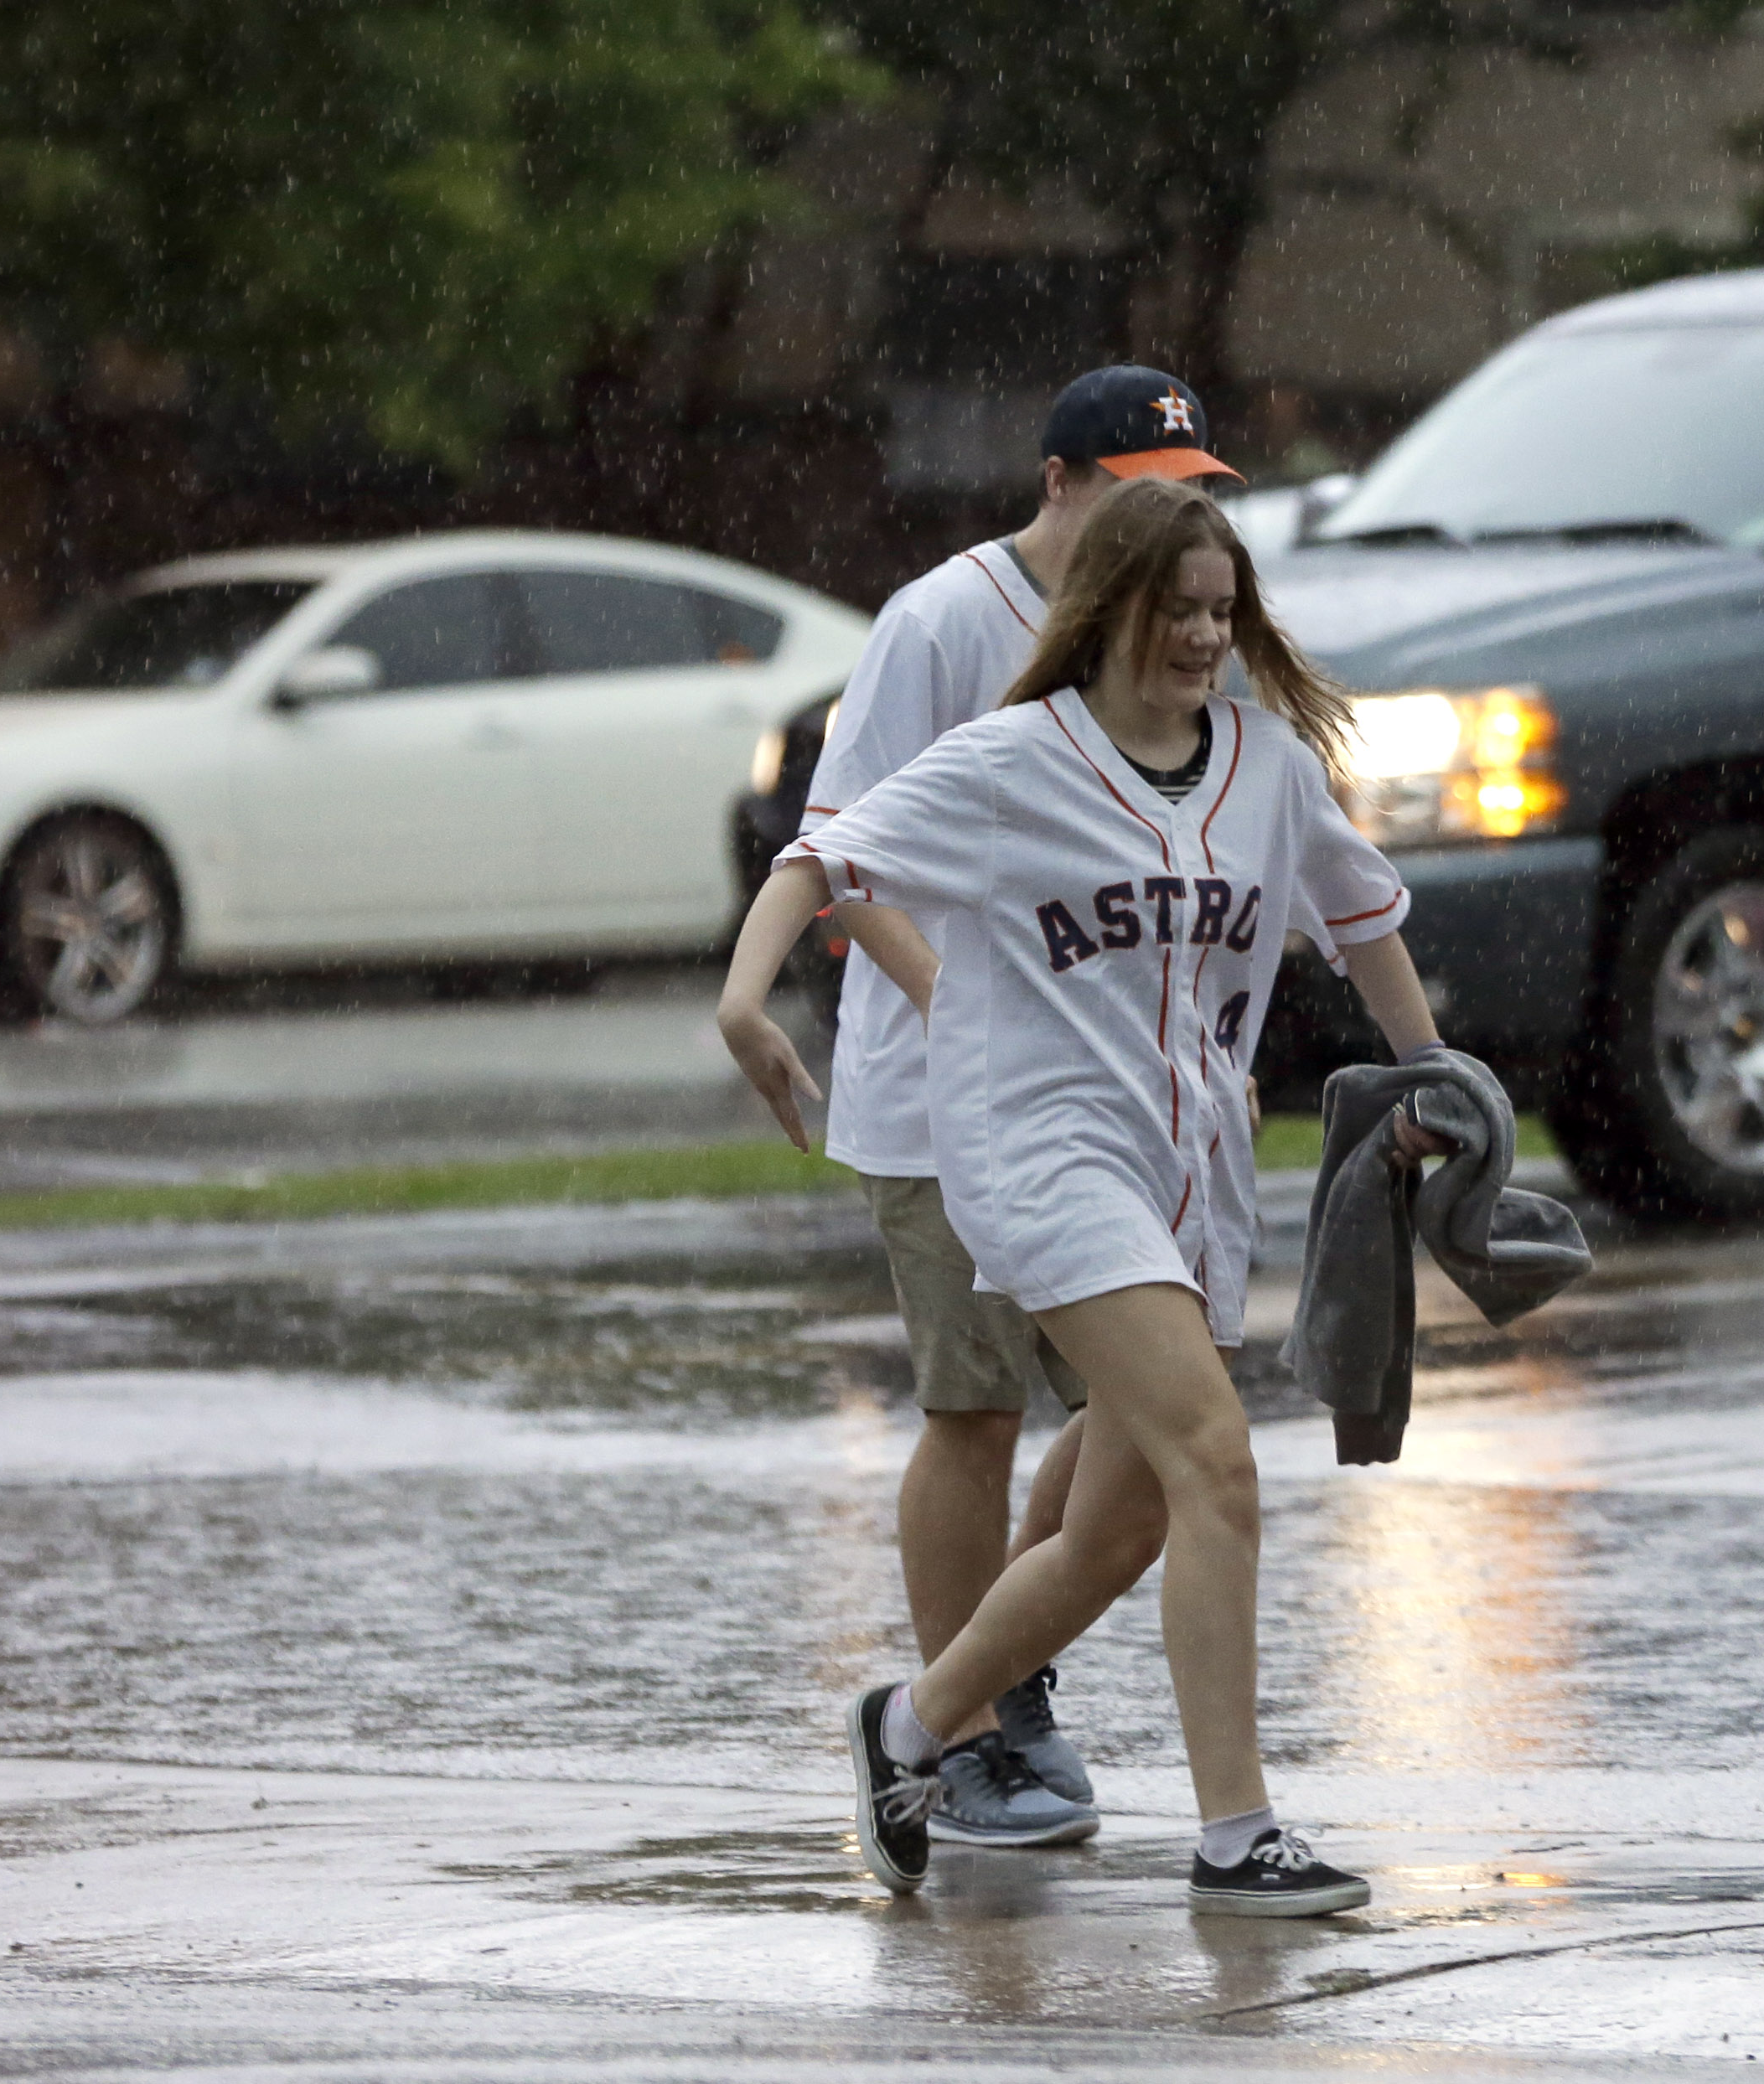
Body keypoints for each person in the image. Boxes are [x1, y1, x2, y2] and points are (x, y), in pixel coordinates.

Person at [726, 478, 1454, 1918]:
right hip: (1040, 1158)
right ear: (1107, 608)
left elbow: (1362, 918)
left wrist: (1437, 1074)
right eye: (1175, 609)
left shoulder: (1263, 765)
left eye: (1219, 612)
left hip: (1192, 1169)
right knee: (1215, 1459)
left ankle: (915, 1725)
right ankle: (1238, 1831)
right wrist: (748, 1007)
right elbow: (818, 857)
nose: (1200, 636)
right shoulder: (1014, 761)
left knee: (1121, 1526)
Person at [716, 366, 1239, 1853]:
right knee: (975, 1403)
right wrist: (971, 1008)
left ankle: (990, 1678)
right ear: (1061, 479)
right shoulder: (944, 621)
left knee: (1147, 1407)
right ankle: (965, 1746)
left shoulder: (1174, 621)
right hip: (945, 1099)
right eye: (1148, 481)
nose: (1177, 510)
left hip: (1126, 1096)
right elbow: (844, 846)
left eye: (1194, 485)